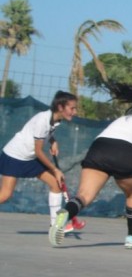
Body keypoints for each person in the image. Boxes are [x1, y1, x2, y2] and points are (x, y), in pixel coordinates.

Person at [48, 83, 132, 249]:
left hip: (98, 149)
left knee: (84, 196)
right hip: (123, 152)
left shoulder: (124, 120)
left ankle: (66, 213)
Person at [1, 91, 78, 230]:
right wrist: (55, 169)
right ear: (60, 107)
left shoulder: (55, 120)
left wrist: (53, 141)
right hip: (14, 156)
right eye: (72, 108)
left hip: (30, 157)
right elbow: (38, 151)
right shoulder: (43, 120)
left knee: (56, 184)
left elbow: (45, 134)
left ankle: (56, 225)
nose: (75, 112)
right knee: (5, 195)